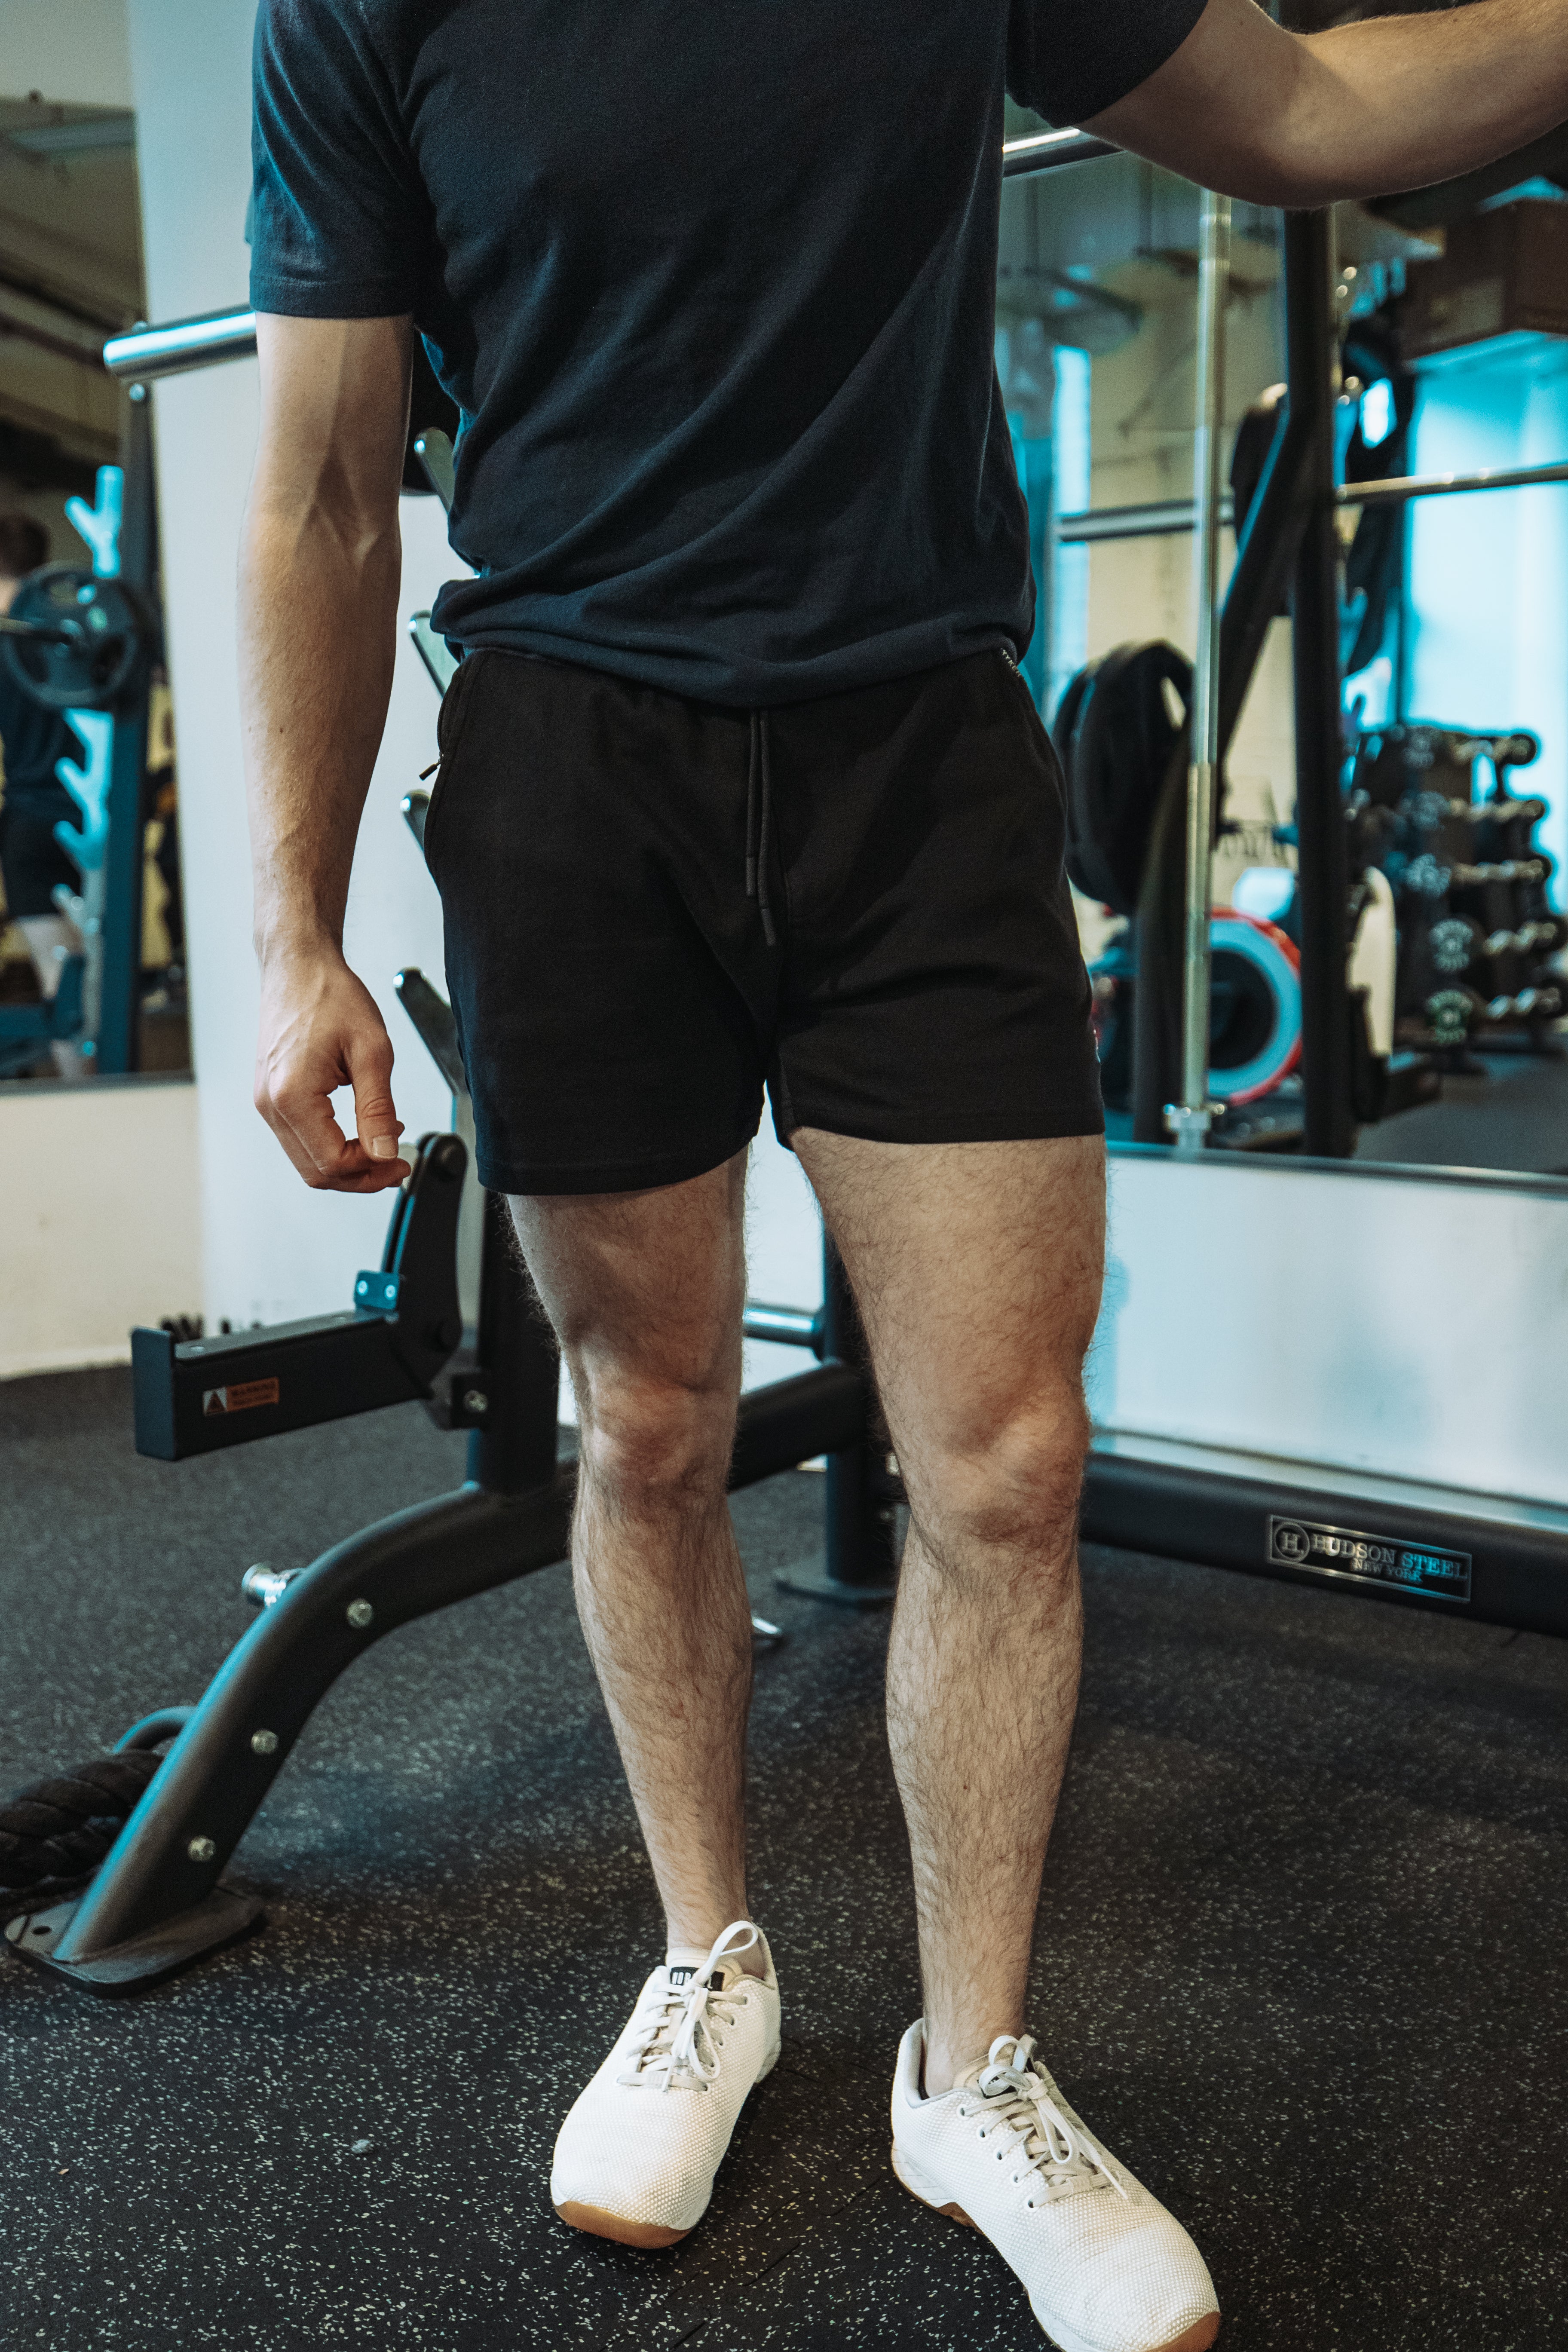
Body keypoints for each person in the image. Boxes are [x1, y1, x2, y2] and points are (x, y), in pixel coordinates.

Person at [239, 6, 1564, 2343]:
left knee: (1010, 1462)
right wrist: (293, 937)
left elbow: (1305, 111)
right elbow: (331, 482)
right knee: (645, 1423)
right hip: (569, 752)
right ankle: (705, 1965)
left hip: (919, 750)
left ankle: (976, 2072)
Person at [0, 515, 87, 1079]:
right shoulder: (76, 629)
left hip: (32, 828)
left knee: (66, 993)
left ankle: (99, 1122)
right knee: (100, 982)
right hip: (91, 823)